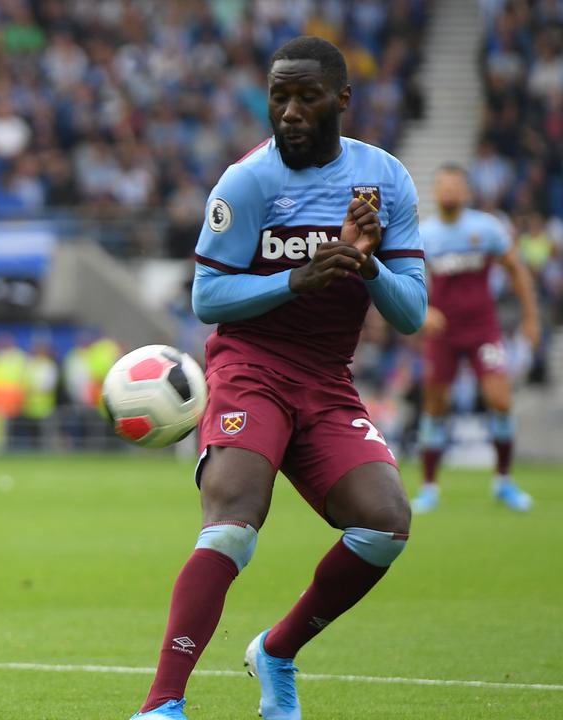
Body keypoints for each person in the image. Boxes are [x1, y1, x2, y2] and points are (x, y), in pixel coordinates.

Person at [130, 37, 427, 720]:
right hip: (250, 366)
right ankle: (161, 704)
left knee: (385, 523)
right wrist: (298, 279)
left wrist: (366, 263)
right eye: (279, 97)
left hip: (326, 381)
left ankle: (277, 650)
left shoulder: (384, 180)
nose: (290, 112)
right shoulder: (248, 182)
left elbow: (410, 313)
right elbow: (208, 299)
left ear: (342, 101)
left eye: (307, 97)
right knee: (234, 522)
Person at [412, 165, 540, 513]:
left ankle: (503, 481)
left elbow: (516, 269)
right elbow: (407, 280)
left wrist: (531, 317)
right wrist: (422, 312)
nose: (449, 192)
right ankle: (429, 487)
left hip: (484, 328)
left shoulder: (486, 228)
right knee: (435, 406)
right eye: (443, 186)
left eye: (455, 186)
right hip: (443, 332)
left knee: (500, 401)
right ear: (435, 192)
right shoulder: (425, 235)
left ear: (467, 192)